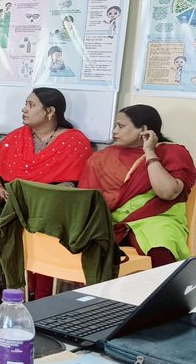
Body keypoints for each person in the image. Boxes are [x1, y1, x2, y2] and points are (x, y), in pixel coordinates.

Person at [0, 87, 93, 299]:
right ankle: (14, 289)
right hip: (11, 203)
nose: (24, 109)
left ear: (50, 111)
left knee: (42, 225)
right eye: (26, 104)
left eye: (31, 105)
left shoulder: (74, 141)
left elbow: (73, 184)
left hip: (51, 207)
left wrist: (39, 199)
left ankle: (39, 295)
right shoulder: (17, 136)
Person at [79, 105, 195, 267]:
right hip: (110, 221)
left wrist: (150, 152)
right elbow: (87, 199)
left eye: (121, 126)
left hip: (157, 219)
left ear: (144, 130)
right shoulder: (101, 158)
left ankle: (164, 284)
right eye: (115, 125)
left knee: (160, 245)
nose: (114, 131)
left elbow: (168, 193)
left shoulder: (172, 152)